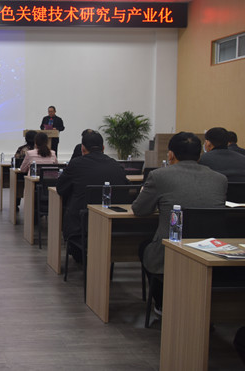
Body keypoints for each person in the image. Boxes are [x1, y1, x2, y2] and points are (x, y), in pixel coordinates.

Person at [132, 132, 227, 312]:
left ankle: (162, 302)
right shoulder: (220, 179)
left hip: (172, 251)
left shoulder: (159, 176)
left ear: (171, 154)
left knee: (145, 247)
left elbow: (140, 210)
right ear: (200, 155)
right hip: (208, 250)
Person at [57, 131, 128, 243]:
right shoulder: (116, 165)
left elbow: (61, 189)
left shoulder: (76, 164)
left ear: (82, 149)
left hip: (80, 227)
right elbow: (127, 188)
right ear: (103, 148)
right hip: (113, 227)